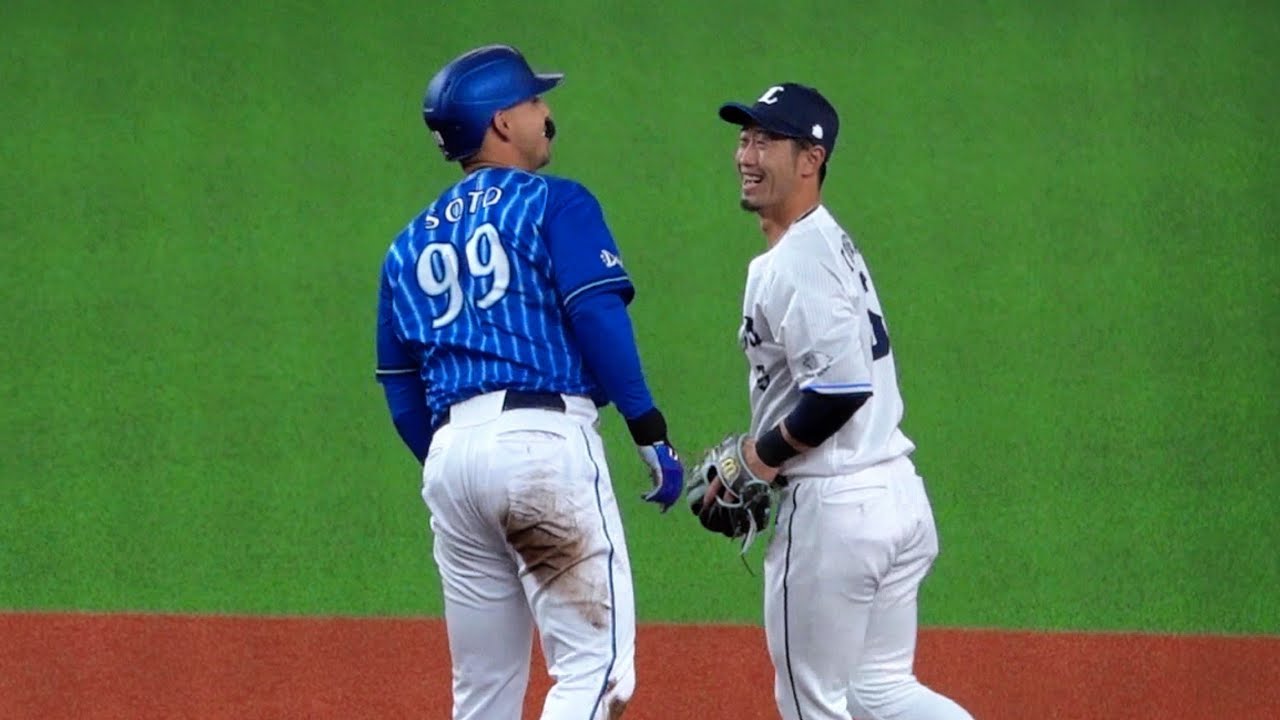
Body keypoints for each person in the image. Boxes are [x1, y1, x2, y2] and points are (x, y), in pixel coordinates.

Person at [373, 44, 684, 720]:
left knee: (483, 691)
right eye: (534, 100)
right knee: (597, 671)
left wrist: (462, 463)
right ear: (501, 122)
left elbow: (400, 389)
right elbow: (596, 314)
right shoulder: (555, 203)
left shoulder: (406, 245)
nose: (546, 113)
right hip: (540, 449)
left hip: (451, 463)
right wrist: (649, 430)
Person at [705, 82, 976, 720]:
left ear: (811, 159)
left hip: (836, 511)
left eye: (766, 141)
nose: (746, 154)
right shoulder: (823, 241)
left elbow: (841, 389)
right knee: (878, 691)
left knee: (810, 704)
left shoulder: (798, 260)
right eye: (745, 137)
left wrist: (760, 459)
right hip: (894, 495)